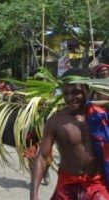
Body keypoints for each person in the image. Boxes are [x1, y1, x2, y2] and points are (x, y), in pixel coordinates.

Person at [30, 68, 109, 200]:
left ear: (87, 89)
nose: (70, 98)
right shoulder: (55, 122)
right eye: (65, 94)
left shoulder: (101, 115)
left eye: (76, 92)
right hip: (68, 184)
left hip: (97, 184)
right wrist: (34, 195)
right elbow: (42, 157)